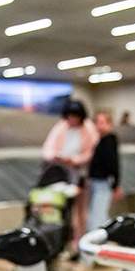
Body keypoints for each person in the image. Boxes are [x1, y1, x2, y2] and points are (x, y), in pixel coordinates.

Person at [41, 100, 99, 248]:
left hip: (79, 174)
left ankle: (81, 241)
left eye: (75, 117)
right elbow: (48, 148)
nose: (72, 120)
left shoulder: (88, 129)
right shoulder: (60, 127)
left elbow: (91, 151)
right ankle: (63, 240)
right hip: (60, 174)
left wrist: (75, 160)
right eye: (70, 117)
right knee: (63, 209)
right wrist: (55, 157)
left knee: (81, 210)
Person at [87, 111, 123, 231]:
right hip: (96, 181)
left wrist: (116, 185)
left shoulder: (109, 141)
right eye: (97, 122)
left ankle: (98, 240)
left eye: (102, 122)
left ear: (110, 124)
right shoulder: (100, 140)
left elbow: (113, 163)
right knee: (98, 214)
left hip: (103, 182)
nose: (99, 126)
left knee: (98, 217)